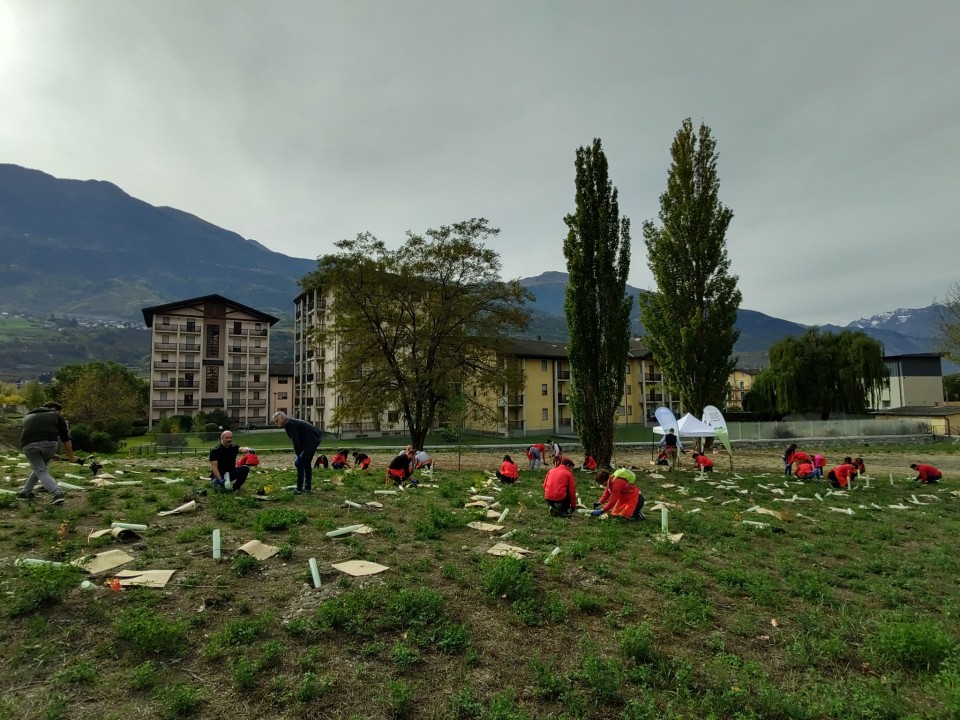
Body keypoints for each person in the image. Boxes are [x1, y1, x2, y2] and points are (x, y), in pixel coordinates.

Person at [17, 401, 77, 504]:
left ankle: (25, 492)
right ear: (56, 410)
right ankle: (57, 493)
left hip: (28, 445)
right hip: (50, 444)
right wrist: (71, 456)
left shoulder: (28, 416)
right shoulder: (56, 415)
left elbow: (29, 434)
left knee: (39, 469)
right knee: (41, 470)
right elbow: (65, 438)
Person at [272, 411, 322, 494]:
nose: (276, 423)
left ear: (281, 418)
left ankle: (299, 489)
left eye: (276, 421)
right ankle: (307, 488)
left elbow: (295, 440)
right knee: (306, 463)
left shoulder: (289, 424)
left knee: (299, 463)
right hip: (314, 439)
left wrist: (298, 455)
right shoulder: (291, 421)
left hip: (311, 441)